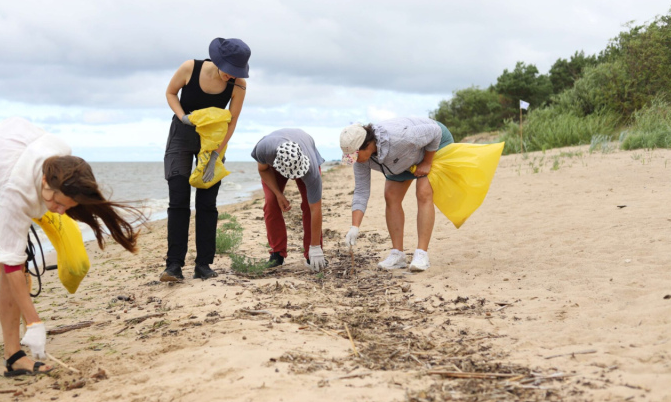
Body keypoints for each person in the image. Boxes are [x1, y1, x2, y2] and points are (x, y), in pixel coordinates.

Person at [0, 117, 143, 398]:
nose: (60, 211)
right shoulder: (17, 188)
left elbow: (13, 264)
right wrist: (35, 323)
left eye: (67, 206)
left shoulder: (64, 163)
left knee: (12, 262)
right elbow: (11, 263)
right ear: (44, 181)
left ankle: (14, 356)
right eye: (57, 203)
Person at [161, 38, 250, 281]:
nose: (231, 77)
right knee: (178, 199)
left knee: (207, 204)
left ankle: (203, 265)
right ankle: (174, 266)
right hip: (181, 136)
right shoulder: (190, 68)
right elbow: (170, 93)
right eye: (229, 71)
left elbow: (231, 122)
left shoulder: (238, 85)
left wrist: (215, 155)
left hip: (212, 144)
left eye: (237, 73)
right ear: (219, 61)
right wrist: (182, 117)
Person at [339, 117, 454, 272]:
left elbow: (435, 132)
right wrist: (355, 226)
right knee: (391, 195)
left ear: (366, 146)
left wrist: (427, 162)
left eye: (355, 156)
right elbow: (361, 190)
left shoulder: (401, 137)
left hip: (433, 146)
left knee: (423, 191)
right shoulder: (361, 160)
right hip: (400, 160)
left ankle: (421, 254)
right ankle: (397, 255)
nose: (354, 160)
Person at [251, 129, 326, 271]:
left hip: (305, 150)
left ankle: (312, 253)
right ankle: (277, 254)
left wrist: (315, 248)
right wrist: (279, 194)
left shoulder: (311, 170)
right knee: (271, 203)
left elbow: (315, 208)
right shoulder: (264, 149)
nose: (293, 178)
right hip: (275, 163)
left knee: (307, 206)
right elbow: (263, 170)